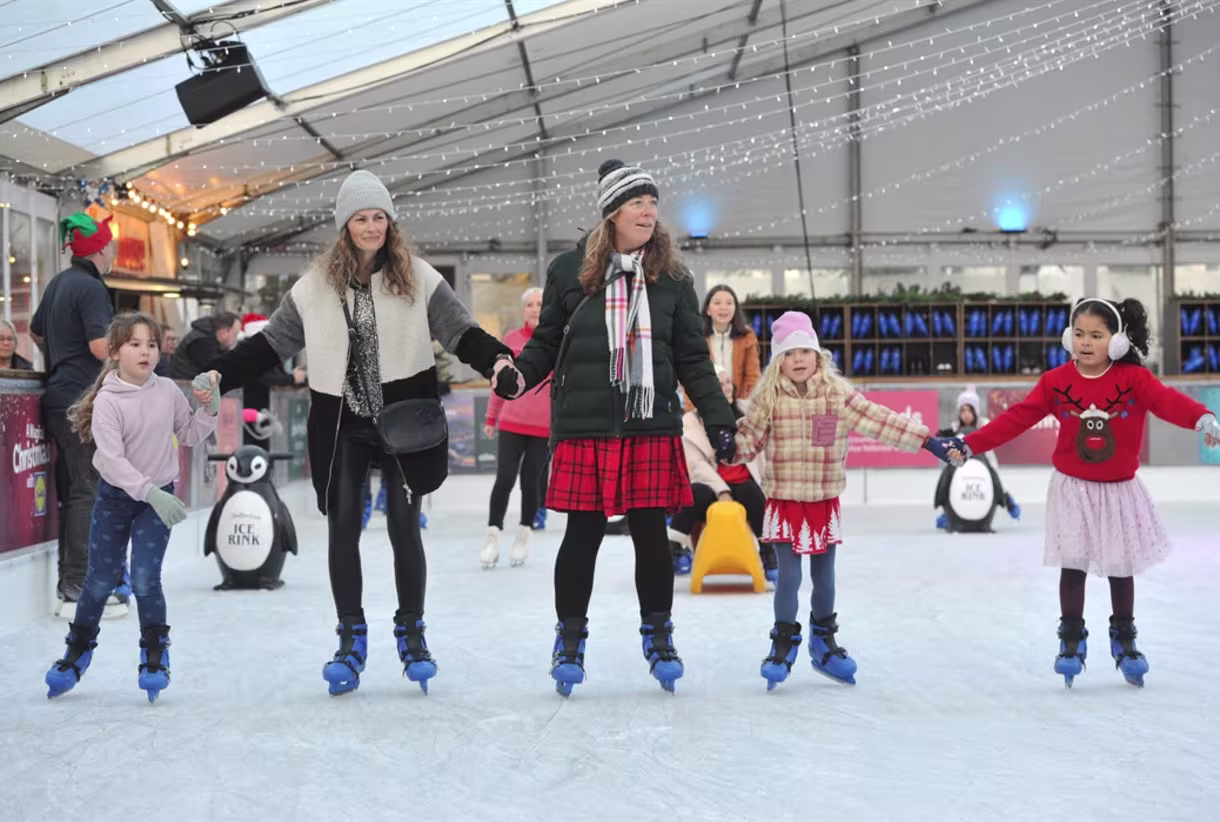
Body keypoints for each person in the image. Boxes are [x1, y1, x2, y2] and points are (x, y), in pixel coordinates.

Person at [205, 170, 512, 696]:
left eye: (380, 218)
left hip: (405, 421)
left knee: (402, 526)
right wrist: (220, 373)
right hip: (343, 422)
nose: (372, 227)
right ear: (344, 226)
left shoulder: (417, 277)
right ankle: (351, 639)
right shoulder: (314, 286)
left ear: (391, 223)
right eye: (361, 218)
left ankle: (412, 634)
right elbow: (271, 345)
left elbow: (461, 331)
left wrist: (499, 360)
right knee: (344, 526)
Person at [493, 159, 737, 696]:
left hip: (649, 421)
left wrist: (720, 421)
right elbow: (545, 344)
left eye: (652, 203)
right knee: (583, 534)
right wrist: (518, 377)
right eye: (637, 203)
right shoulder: (569, 271)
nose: (649, 212)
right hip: (585, 423)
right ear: (612, 213)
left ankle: (658, 635)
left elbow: (693, 359)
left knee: (651, 533)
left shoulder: (671, 277)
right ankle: (571, 639)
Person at [946, 298, 1219, 688]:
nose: (1085, 342)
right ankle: (1071, 640)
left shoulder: (1134, 381)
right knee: (1073, 566)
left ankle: (1124, 640)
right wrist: (972, 443)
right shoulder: (1056, 382)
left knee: (1120, 568)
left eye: (1096, 335)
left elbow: (1168, 402)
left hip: (1119, 491)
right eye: (1078, 333)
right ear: (1067, 336)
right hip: (1073, 489)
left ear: (1118, 341)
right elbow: (1016, 419)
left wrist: (1201, 417)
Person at [732, 311, 956, 690]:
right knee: (788, 575)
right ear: (778, 361)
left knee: (825, 577)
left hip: (822, 499)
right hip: (785, 500)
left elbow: (879, 419)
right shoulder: (767, 399)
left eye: (806, 350)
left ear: (818, 355)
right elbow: (746, 444)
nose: (799, 359)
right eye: (790, 353)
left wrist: (928, 441)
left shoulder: (835, 394)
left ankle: (824, 643)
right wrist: (725, 441)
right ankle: (783, 642)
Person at [43, 312, 219, 701]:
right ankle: (77, 652)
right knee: (100, 580)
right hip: (117, 498)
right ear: (116, 351)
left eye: (152, 344)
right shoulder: (108, 400)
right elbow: (114, 460)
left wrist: (209, 409)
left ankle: (155, 654)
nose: (146, 351)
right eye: (136, 344)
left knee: (144, 578)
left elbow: (189, 435)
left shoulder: (168, 391)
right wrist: (150, 492)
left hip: (156, 499)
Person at [30, 213, 117, 618]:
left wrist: (60, 353)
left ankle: (74, 582)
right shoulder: (92, 286)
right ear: (100, 249)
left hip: (57, 395)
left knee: (77, 491)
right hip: (80, 400)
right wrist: (135, 357)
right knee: (87, 491)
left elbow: (36, 333)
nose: (113, 251)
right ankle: (76, 587)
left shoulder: (59, 284)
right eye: (111, 245)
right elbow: (100, 345)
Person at [668, 364, 771, 580]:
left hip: (743, 479)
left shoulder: (747, 411)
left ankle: (769, 553)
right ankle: (675, 549)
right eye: (720, 384)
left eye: (727, 382)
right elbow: (697, 466)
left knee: (753, 495)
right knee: (694, 495)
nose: (726, 388)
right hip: (710, 481)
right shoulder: (691, 421)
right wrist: (722, 491)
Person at [481, 287, 550, 569]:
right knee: (505, 479)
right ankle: (493, 535)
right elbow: (499, 384)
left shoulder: (554, 343)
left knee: (531, 483)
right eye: (530, 304)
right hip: (511, 423)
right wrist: (490, 418)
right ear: (524, 310)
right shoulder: (510, 340)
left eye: (540, 304)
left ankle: (523, 534)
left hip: (543, 428)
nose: (534, 309)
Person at [933, 385, 1019, 530]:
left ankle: (1006, 500)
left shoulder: (984, 425)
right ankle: (947, 511)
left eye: (969, 410)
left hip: (984, 462)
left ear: (976, 412)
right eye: (963, 411)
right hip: (959, 466)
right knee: (949, 476)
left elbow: (993, 456)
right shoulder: (954, 428)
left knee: (993, 476)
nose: (966, 414)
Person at [702, 284, 760, 398]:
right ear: (708, 310)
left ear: (735, 309)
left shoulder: (747, 337)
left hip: (740, 403)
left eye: (729, 303)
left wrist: (742, 405)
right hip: (705, 404)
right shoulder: (697, 338)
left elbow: (753, 377)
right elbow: (690, 379)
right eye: (717, 303)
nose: (723, 307)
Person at [167, 310, 242, 380]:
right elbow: (219, 369)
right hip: (185, 387)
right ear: (223, 331)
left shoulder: (207, 336)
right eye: (235, 334)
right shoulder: (201, 342)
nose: (236, 339)